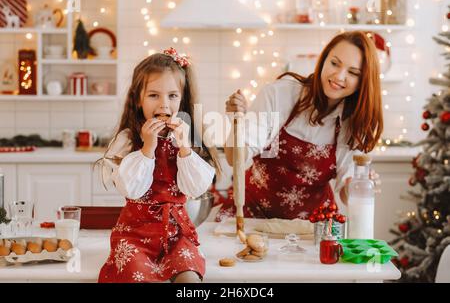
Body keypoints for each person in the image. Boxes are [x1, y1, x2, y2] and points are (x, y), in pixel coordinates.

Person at [216, 31, 383, 221]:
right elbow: (233, 158)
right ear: (324, 59)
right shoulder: (280, 94)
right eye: (334, 63)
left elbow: (346, 195)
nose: (339, 75)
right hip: (252, 215)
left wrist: (359, 185)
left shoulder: (353, 122)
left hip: (312, 226)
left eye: (353, 72)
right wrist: (238, 124)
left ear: (363, 82)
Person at [97, 48, 219, 283]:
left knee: (190, 279)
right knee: (135, 274)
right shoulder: (127, 139)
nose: (164, 104)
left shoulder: (187, 138)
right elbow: (131, 189)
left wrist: (185, 149)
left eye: (173, 96)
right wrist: (147, 149)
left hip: (176, 235)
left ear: (182, 99)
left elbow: (196, 189)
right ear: (138, 99)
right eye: (154, 95)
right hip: (135, 235)